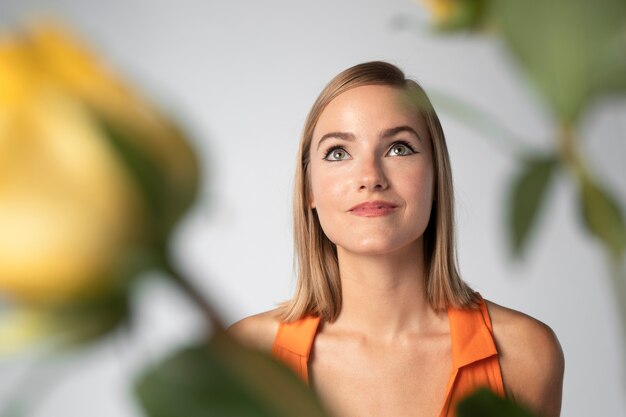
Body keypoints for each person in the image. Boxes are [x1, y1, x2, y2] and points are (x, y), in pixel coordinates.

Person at [228, 61, 564, 417]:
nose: (371, 177)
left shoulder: (524, 355)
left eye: (399, 148)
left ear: (436, 178)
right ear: (309, 189)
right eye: (338, 153)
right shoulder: (244, 359)